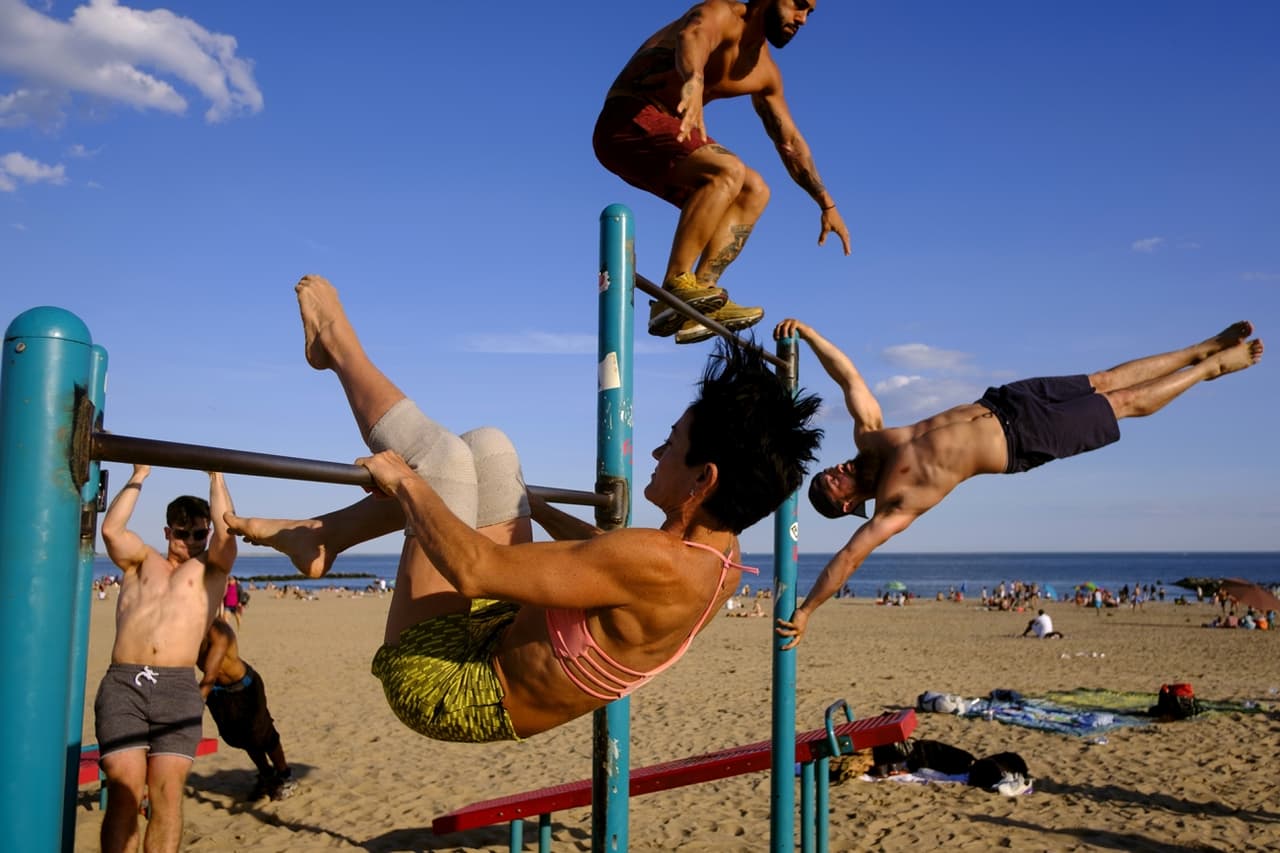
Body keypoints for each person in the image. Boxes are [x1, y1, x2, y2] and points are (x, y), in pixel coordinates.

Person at [225, 275, 821, 743]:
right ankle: (322, 537)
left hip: (449, 684)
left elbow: (477, 571)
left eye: (672, 443)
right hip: (493, 633)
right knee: (490, 449)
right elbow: (604, 561)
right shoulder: (717, 552)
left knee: (440, 463)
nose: (659, 451)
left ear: (702, 480)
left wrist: (405, 482)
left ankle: (336, 348)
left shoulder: (657, 561)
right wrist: (527, 502)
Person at [772, 317, 1264, 648]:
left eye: (826, 471)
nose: (833, 471)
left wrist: (811, 335)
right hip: (1022, 440)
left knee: (1105, 380)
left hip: (1004, 401)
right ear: (843, 507)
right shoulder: (896, 506)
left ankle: (1201, 349)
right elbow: (848, 559)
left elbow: (850, 381)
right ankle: (1210, 368)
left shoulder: (870, 438)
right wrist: (810, 609)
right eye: (829, 484)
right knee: (1125, 405)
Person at [594, 0, 851, 346]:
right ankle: (677, 282)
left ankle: (693, 301)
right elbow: (694, 34)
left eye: (810, 13)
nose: (802, 20)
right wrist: (693, 77)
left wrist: (826, 203)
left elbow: (789, 141)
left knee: (755, 189)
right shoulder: (722, 13)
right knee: (727, 170)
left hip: (670, 134)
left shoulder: (765, 73)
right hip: (629, 118)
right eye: (798, 6)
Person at [94, 467, 236, 853]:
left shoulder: (211, 569)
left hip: (176, 686)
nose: (190, 541)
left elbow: (226, 536)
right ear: (167, 532)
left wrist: (217, 478)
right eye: (182, 533)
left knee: (167, 793)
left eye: (198, 534)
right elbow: (111, 531)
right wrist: (140, 474)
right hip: (125, 683)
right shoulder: (141, 561)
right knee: (125, 789)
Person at [197, 616, 297, 801]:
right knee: (240, 737)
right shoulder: (188, 633)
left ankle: (284, 775)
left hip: (245, 687)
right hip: (219, 692)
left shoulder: (218, 632)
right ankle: (266, 774)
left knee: (262, 733)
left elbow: (211, 675)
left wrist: (192, 705)